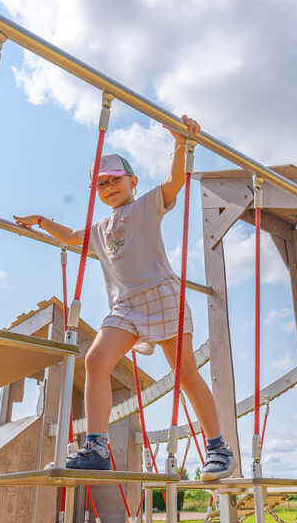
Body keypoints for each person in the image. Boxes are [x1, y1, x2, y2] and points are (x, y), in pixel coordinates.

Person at [14, 115, 235, 481]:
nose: (110, 186)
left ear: (133, 181)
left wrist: (182, 144)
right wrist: (40, 221)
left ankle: (217, 447)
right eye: (101, 184)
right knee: (96, 361)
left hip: (161, 294)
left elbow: (175, 180)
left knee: (184, 373)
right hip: (125, 308)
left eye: (116, 179)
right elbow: (70, 236)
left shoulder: (147, 205)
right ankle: (97, 447)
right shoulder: (100, 229)